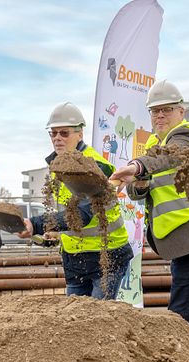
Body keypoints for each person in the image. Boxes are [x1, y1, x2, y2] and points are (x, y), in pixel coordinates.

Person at [110, 80, 189, 341]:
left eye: (167, 109)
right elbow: (141, 192)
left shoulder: (185, 135)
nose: (160, 115)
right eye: (155, 111)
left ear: (181, 112)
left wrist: (139, 167)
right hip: (182, 243)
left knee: (180, 317)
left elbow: (172, 155)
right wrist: (139, 183)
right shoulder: (153, 145)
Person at [17, 102, 133, 300]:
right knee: (75, 322)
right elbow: (68, 214)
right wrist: (55, 234)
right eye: (53, 133)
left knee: (97, 321)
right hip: (74, 260)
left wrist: (36, 224)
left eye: (64, 133)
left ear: (80, 134)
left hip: (106, 256)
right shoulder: (59, 167)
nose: (57, 138)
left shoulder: (95, 167)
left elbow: (83, 215)